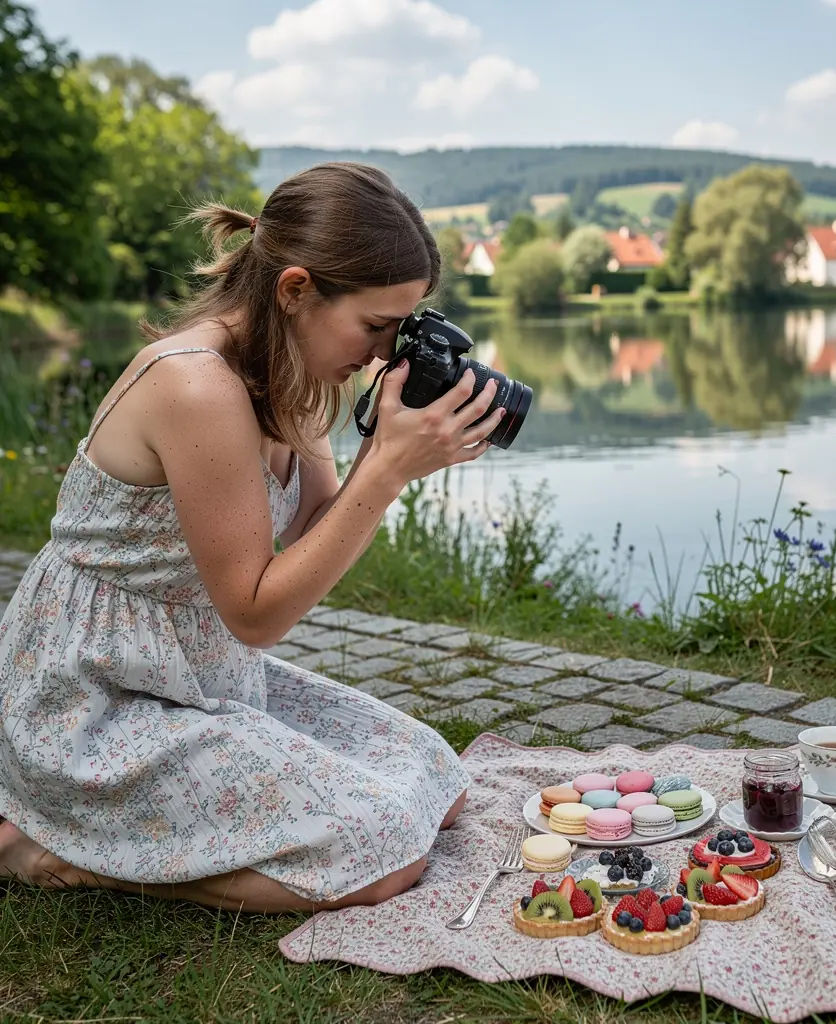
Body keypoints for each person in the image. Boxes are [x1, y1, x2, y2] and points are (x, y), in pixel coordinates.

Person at [0, 162, 504, 913]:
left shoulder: (296, 373)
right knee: (382, 855)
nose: (382, 352)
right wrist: (389, 473)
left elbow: (311, 530)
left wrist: (387, 447)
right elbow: (258, 613)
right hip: (93, 700)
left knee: (434, 775)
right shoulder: (195, 385)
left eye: (398, 329)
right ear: (295, 289)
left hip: (199, 677)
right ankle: (46, 849)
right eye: (375, 326)